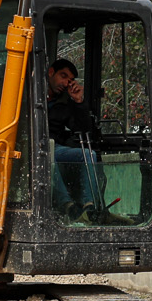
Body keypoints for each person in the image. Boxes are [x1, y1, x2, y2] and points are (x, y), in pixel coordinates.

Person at [47, 59, 102, 215]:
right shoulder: (30, 94)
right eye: (63, 76)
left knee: (88, 154)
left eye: (70, 80)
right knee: (46, 155)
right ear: (51, 72)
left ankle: (88, 206)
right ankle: (66, 205)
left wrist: (78, 101)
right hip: (30, 145)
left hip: (54, 146)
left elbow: (83, 129)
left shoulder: (65, 102)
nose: (66, 83)